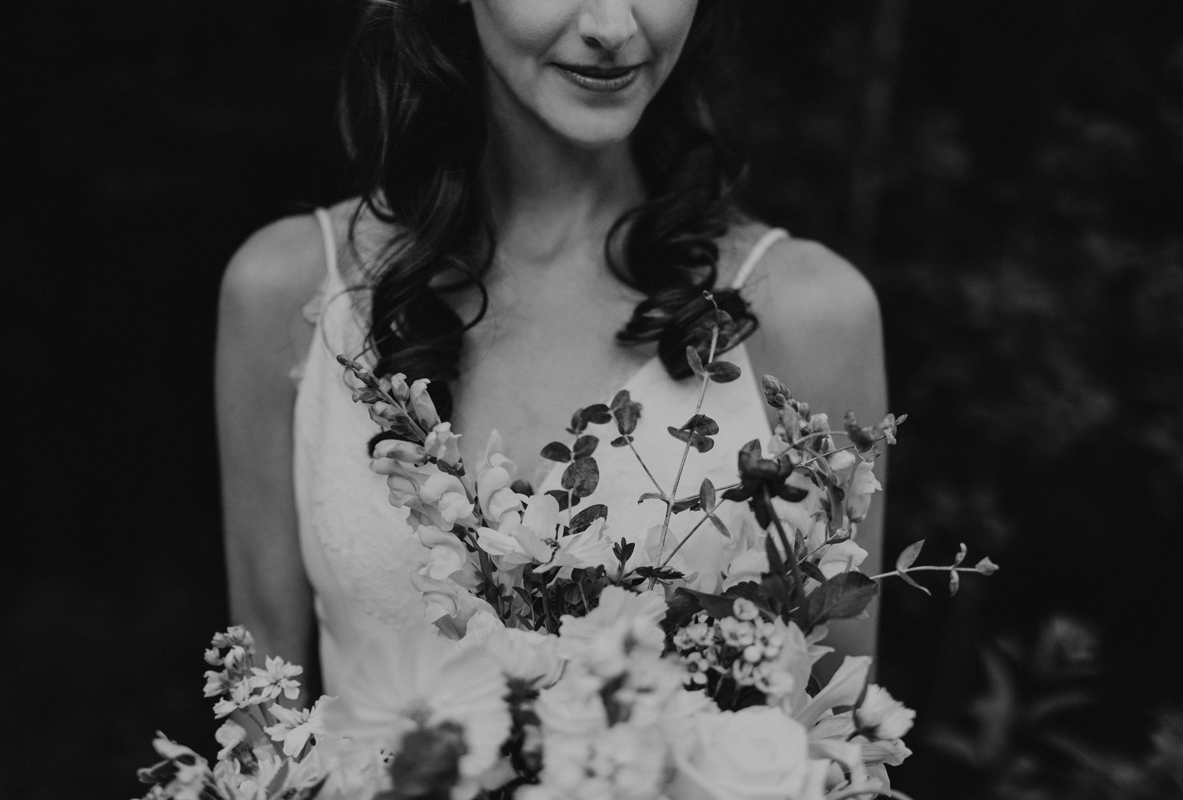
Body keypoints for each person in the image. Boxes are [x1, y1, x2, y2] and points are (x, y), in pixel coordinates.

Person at [215, 0, 887, 704]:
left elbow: (837, 738)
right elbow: (264, 716)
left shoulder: (812, 317)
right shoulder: (286, 293)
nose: (613, 28)